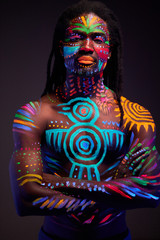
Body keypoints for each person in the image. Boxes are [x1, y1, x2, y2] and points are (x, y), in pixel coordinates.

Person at [9, 0, 160, 239]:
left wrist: (57, 182)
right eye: (77, 37)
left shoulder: (135, 117)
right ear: (62, 48)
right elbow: (26, 198)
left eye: (97, 39)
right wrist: (117, 191)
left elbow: (151, 192)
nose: (87, 46)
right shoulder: (34, 115)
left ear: (109, 51)